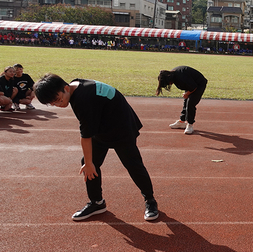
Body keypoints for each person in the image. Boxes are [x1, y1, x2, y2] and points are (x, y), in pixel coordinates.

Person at [34, 74, 159, 221]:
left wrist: (89, 164)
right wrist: (88, 163)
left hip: (121, 128)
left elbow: (85, 136)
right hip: (102, 127)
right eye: (52, 103)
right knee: (88, 163)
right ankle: (97, 203)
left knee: (133, 165)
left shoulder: (83, 99)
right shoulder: (75, 85)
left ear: (66, 88)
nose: (58, 104)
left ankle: (150, 200)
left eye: (57, 99)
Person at [156, 66, 208, 135]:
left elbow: (193, 87)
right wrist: (187, 94)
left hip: (199, 84)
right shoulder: (172, 75)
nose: (169, 84)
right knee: (186, 102)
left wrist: (187, 94)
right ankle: (182, 122)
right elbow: (189, 85)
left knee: (190, 103)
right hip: (191, 83)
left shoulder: (180, 78)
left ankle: (190, 124)